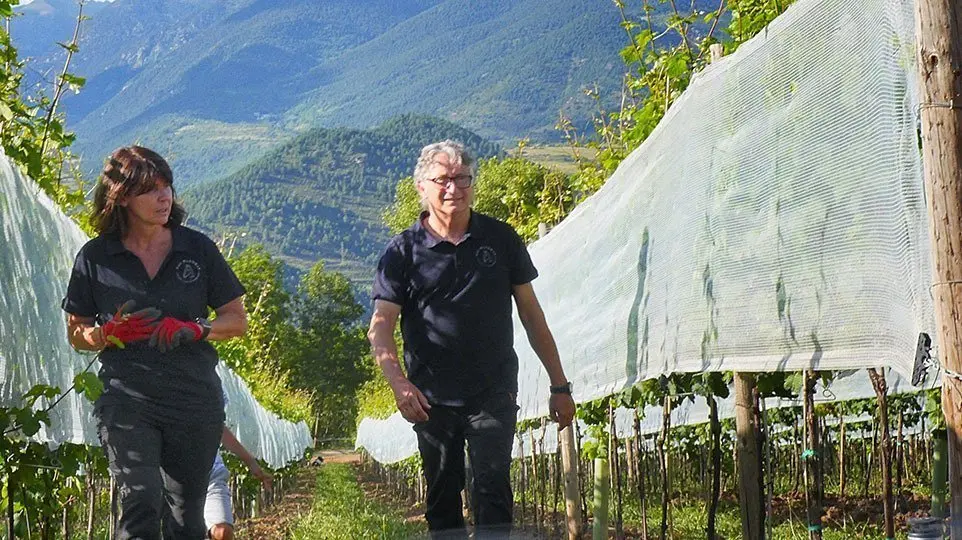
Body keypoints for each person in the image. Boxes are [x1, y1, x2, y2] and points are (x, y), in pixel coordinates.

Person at [367, 140, 576, 538]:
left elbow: (532, 316)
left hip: (492, 389)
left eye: (463, 178)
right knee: (443, 494)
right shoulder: (402, 252)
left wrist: (559, 385)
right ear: (422, 187)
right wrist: (399, 384)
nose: (454, 188)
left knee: (492, 487)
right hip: (430, 396)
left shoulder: (501, 239)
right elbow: (381, 326)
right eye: (443, 179)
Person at [62, 146, 247, 539]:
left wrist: (198, 328)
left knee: (186, 516)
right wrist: (105, 334)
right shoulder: (95, 258)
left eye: (167, 187)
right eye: (151, 190)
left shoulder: (197, 249)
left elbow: (236, 320)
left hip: (193, 400)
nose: (165, 197)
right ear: (123, 197)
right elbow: (76, 330)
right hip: (126, 399)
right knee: (141, 500)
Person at [205, 426, 273, 540]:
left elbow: (218, 426)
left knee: (222, 533)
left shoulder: (207, 409)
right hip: (174, 479)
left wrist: (251, 463)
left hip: (212, 475)